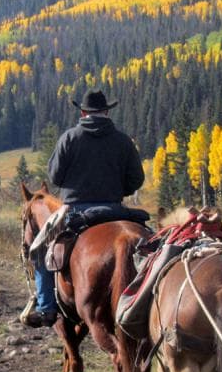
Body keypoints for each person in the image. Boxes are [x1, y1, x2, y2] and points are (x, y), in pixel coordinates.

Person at [22, 89, 145, 327]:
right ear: (107, 111)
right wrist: (118, 189)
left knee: (40, 250)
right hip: (115, 209)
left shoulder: (70, 137)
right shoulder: (122, 140)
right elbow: (136, 180)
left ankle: (46, 307)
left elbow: (55, 177)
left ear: (83, 112)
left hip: (75, 211)